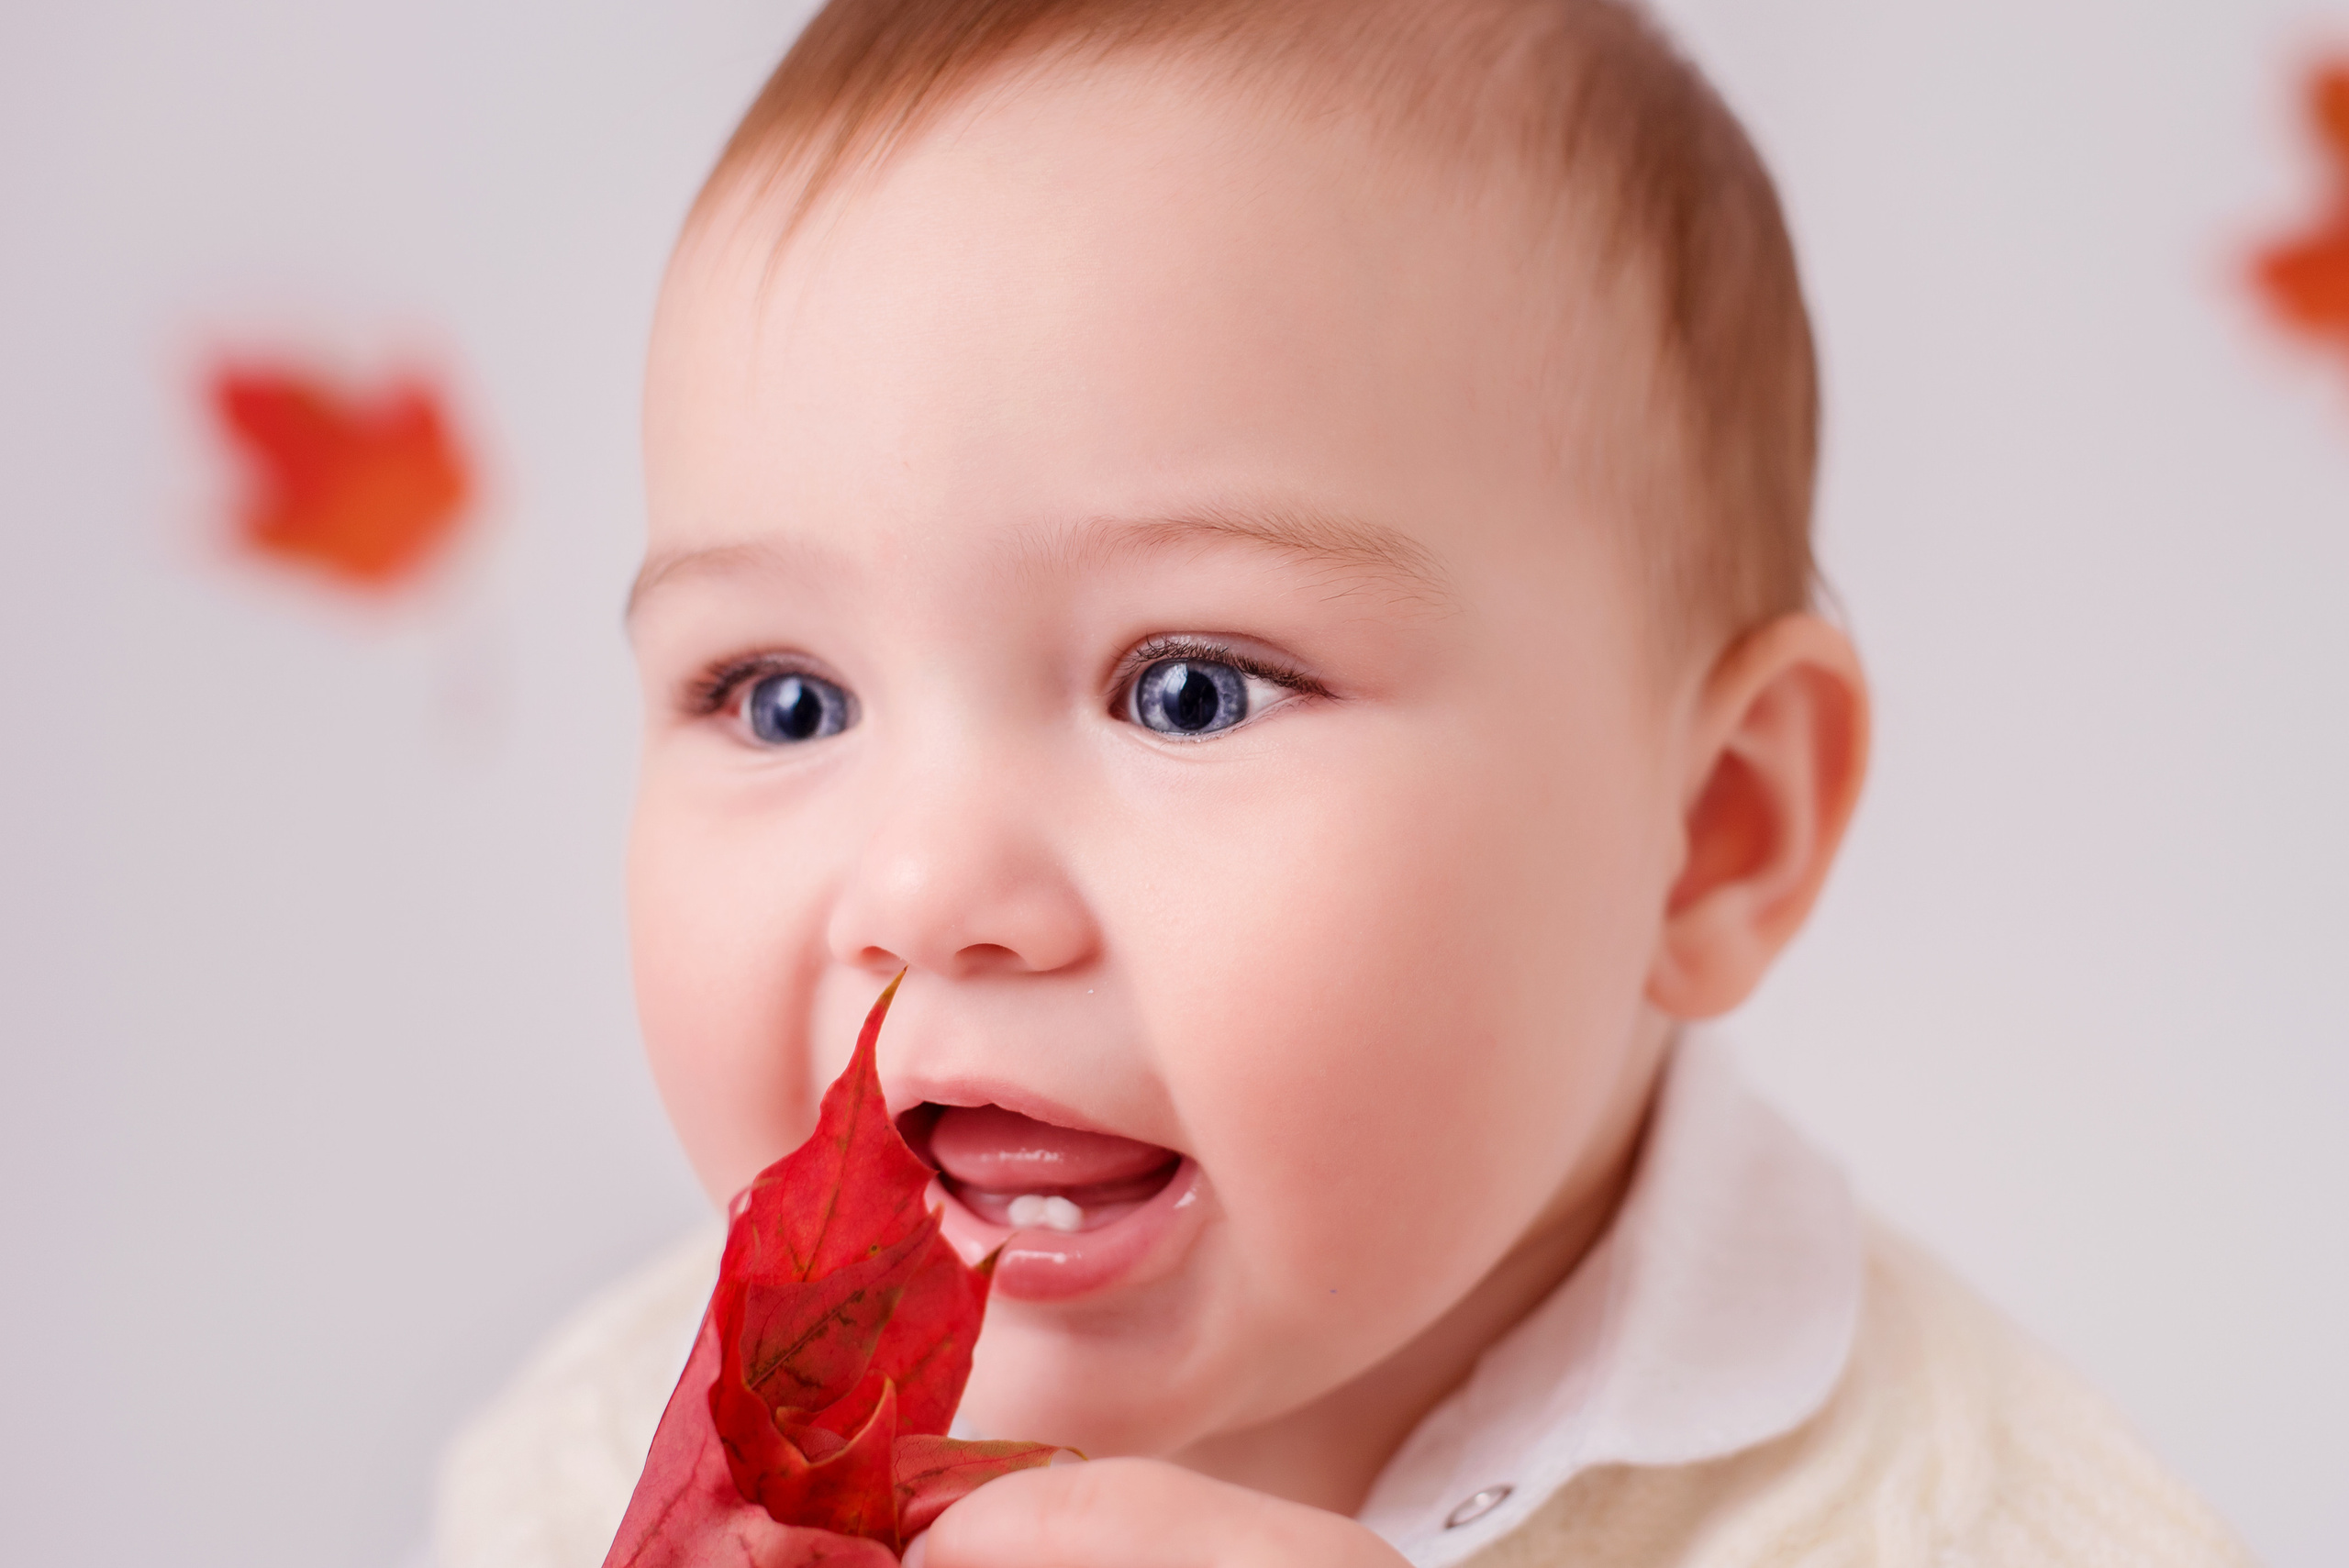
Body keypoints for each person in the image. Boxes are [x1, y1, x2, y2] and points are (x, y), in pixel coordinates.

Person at [434, 1, 2254, 1562]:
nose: (921, 888)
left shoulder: (1992, 1528)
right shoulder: (580, 1470)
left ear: (1708, 837)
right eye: (781, 701)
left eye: (1188, 691)